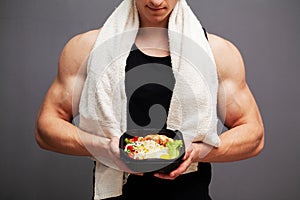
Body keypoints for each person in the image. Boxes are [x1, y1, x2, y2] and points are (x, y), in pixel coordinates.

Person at [35, 0, 264, 199]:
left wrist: (197, 151)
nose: (156, 1)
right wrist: (104, 148)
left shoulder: (216, 52)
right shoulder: (86, 48)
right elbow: (45, 130)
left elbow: (254, 135)